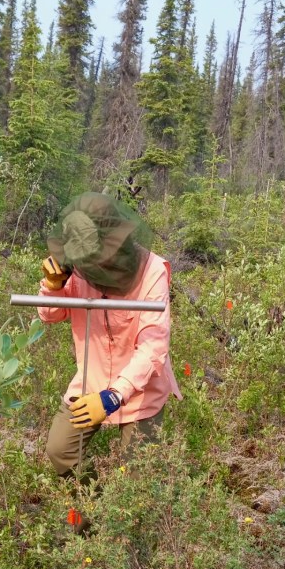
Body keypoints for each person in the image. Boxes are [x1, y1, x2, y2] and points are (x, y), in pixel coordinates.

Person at [38, 192, 181, 480]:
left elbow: (153, 347)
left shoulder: (152, 271)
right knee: (60, 451)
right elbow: (50, 315)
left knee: (135, 477)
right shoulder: (77, 262)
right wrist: (53, 286)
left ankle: (121, 515)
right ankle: (94, 511)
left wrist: (112, 397)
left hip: (141, 389)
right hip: (91, 380)